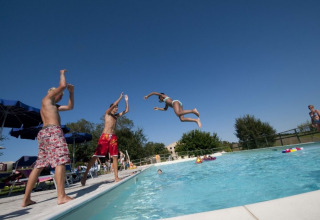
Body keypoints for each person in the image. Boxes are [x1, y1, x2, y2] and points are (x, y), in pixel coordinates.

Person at [22, 69, 74, 207]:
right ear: (53, 93)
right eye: (60, 95)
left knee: (39, 166)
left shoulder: (52, 105)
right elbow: (62, 85)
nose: (61, 97)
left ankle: (26, 199)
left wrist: (71, 93)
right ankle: (61, 196)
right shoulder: (48, 98)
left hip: (44, 134)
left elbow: (70, 107)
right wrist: (62, 73)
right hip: (53, 132)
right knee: (60, 161)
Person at [81, 92, 129, 186]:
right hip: (105, 136)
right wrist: (120, 97)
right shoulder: (107, 114)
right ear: (112, 108)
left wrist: (126, 101)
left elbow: (126, 110)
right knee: (96, 156)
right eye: (115, 107)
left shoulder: (115, 117)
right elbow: (114, 104)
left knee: (115, 156)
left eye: (117, 108)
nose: (116, 108)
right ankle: (85, 176)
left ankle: (116, 177)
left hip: (113, 137)